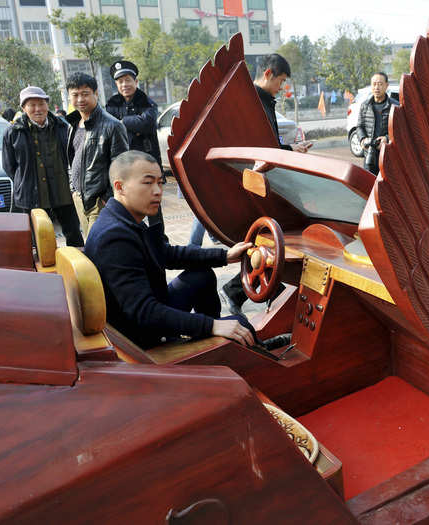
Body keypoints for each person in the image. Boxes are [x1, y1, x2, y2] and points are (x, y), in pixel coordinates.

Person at [85, 150, 291, 351]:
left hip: (144, 314)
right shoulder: (115, 238)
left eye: (159, 182)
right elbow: (144, 312)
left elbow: (168, 254)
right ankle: (243, 346)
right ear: (119, 187)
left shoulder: (123, 220)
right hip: (140, 335)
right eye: (148, 183)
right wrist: (211, 325)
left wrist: (224, 256)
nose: (157, 191)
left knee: (202, 275)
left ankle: (221, 346)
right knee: (239, 322)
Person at [220, 53, 311, 316]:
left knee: (271, 237)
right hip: (255, 181)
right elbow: (256, 147)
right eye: (281, 81)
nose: (282, 88)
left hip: (264, 177)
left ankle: (244, 290)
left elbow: (268, 145)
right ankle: (255, 291)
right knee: (272, 235)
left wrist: (291, 148)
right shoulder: (251, 102)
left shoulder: (264, 101)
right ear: (268, 74)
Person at [2, 86, 84, 247]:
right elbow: (9, 166)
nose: (37, 109)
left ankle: (77, 267)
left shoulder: (62, 126)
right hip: (32, 194)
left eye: (41, 104)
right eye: (32, 105)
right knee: (40, 239)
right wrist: (26, 181)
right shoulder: (13, 132)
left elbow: (74, 155)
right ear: (24, 108)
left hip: (62, 191)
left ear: (47, 105)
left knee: (73, 232)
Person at [66, 72, 129, 236]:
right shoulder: (73, 124)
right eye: (75, 95)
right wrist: (73, 188)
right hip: (80, 198)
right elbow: (72, 158)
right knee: (90, 246)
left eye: (85, 94)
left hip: (100, 201)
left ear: (96, 93)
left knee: (100, 248)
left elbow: (122, 167)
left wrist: (108, 198)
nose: (80, 99)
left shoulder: (113, 125)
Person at [106, 60, 164, 227]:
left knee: (154, 209)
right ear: (116, 84)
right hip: (124, 167)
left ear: (136, 82)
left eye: (128, 80)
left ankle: (159, 244)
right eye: (120, 81)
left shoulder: (146, 101)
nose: (124, 84)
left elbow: (148, 123)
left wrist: (122, 122)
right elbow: (108, 128)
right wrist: (134, 124)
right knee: (126, 209)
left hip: (147, 165)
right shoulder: (112, 104)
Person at [356, 72, 399, 176]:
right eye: (374, 84)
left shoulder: (395, 106)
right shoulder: (365, 105)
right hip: (369, 155)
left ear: (386, 86)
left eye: (380, 84)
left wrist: (387, 139)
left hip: (389, 156)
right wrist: (362, 139)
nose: (377, 87)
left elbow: (401, 130)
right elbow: (359, 126)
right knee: (369, 186)